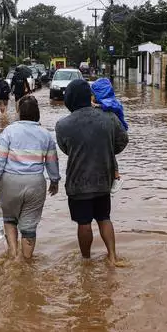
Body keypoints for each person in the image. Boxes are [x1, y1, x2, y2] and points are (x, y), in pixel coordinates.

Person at [55, 80, 128, 265]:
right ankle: (112, 256)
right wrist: (106, 150)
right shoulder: (109, 117)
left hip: (78, 183)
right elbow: (123, 140)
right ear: (89, 96)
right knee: (104, 218)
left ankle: (86, 260)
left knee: (84, 222)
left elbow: (66, 149)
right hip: (103, 180)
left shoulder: (62, 125)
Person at [0, 95, 60, 259]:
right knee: (29, 227)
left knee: (9, 219)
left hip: (9, 183)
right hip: (35, 184)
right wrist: (54, 181)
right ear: (37, 113)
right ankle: (25, 263)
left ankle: (13, 254)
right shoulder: (45, 134)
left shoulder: (9, 131)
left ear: (19, 112)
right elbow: (52, 162)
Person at [91, 78, 128, 193]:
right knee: (109, 153)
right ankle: (115, 177)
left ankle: (116, 177)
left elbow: (109, 106)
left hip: (116, 132)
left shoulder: (112, 103)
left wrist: (97, 106)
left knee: (110, 153)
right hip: (112, 132)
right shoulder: (110, 102)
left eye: (93, 93)